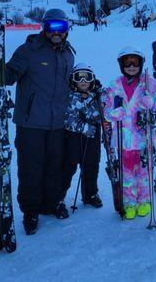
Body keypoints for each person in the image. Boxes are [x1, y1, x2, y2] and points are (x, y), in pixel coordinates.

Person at [0, 8, 75, 235]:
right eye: (52, 27)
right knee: (31, 169)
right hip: (31, 123)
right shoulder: (29, 51)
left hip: (58, 123)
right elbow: (9, 76)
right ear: (44, 28)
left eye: (61, 27)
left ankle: (51, 203)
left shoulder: (68, 54)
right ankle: (31, 211)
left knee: (55, 166)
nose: (56, 32)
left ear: (66, 29)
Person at [103, 46, 156, 220]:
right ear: (121, 65)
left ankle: (144, 201)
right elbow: (106, 110)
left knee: (144, 172)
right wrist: (113, 113)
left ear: (141, 63)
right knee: (127, 174)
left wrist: (152, 102)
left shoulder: (149, 82)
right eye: (127, 63)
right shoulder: (115, 85)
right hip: (123, 140)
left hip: (144, 138)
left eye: (135, 62)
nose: (131, 66)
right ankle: (129, 203)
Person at [62, 63, 103, 209]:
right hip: (73, 139)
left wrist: (100, 93)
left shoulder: (97, 95)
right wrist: (87, 127)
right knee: (68, 168)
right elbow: (68, 120)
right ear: (73, 80)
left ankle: (90, 194)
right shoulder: (70, 97)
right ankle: (59, 197)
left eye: (87, 78)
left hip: (92, 140)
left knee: (91, 166)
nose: (83, 81)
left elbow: (102, 113)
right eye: (79, 78)